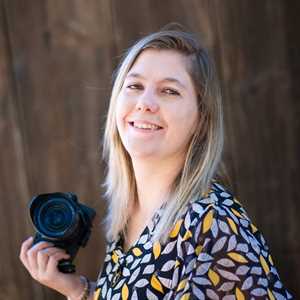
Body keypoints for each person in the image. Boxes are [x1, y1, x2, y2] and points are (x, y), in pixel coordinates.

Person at [20, 26, 292, 300]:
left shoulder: (213, 225)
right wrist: (79, 290)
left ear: (202, 119)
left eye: (169, 91)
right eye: (135, 86)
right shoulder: (129, 217)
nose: (145, 102)